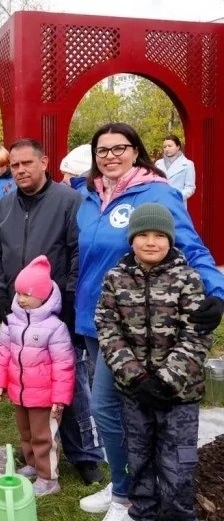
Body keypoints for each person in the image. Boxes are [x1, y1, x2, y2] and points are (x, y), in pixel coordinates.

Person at [75, 122, 224, 520]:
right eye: (102, 150)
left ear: (136, 150)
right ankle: (126, 486)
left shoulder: (157, 191)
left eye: (119, 148)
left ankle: (129, 494)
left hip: (140, 325)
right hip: (98, 316)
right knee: (108, 409)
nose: (110, 156)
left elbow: (188, 243)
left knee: (108, 407)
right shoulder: (88, 195)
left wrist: (217, 291)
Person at [0, 138, 104, 486]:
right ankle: (36, 456)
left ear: (44, 162)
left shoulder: (68, 201)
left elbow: (79, 252)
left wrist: (67, 297)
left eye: (27, 163)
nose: (20, 170)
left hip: (57, 312)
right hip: (18, 314)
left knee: (70, 383)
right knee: (27, 384)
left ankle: (85, 455)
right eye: (15, 165)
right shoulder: (3, 206)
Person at [95, 203, 210, 521]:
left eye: (159, 235)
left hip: (180, 396)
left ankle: (177, 514)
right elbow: (107, 328)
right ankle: (143, 512)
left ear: (170, 240)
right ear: (131, 239)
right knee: (140, 457)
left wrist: (166, 380)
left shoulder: (187, 279)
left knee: (177, 463)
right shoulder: (116, 279)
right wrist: (137, 378)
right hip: (135, 394)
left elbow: (197, 335)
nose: (150, 241)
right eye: (142, 234)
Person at [0, 255, 74, 497]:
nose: (22, 299)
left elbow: (64, 365)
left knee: (43, 436)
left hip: (45, 397)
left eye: (28, 294)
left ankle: (48, 477)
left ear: (44, 295)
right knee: (25, 432)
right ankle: (31, 464)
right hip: (20, 392)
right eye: (19, 293)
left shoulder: (55, 328)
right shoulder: (11, 322)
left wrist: (60, 399)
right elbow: (3, 353)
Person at [154, 134, 195, 206]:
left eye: (170, 146)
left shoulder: (187, 164)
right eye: (164, 147)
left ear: (178, 147)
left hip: (177, 203)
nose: (167, 149)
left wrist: (178, 196)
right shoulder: (158, 163)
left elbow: (190, 187)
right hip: (160, 202)